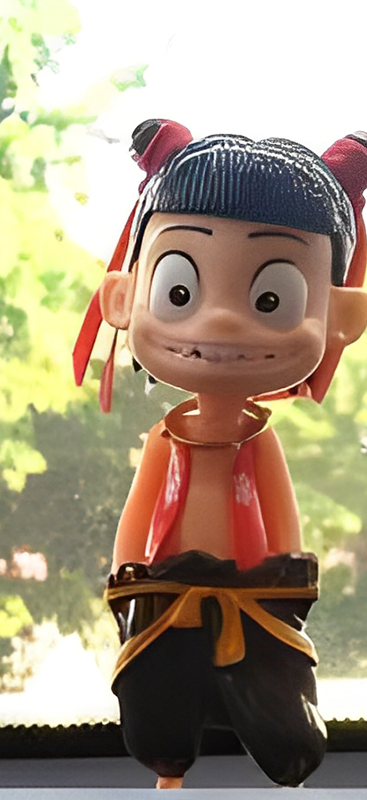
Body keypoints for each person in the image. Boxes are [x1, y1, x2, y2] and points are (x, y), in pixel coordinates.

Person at [73, 120, 367, 788]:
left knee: (288, 739)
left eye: (272, 300)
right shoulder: (166, 439)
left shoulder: (257, 439)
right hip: (165, 594)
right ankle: (170, 771)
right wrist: (126, 575)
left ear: (341, 316)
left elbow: (282, 517)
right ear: (123, 297)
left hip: (256, 600)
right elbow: (140, 512)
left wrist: (288, 582)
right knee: (157, 726)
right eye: (179, 292)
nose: (223, 322)